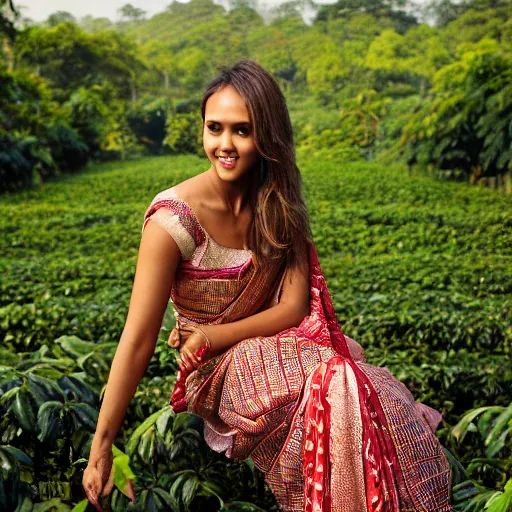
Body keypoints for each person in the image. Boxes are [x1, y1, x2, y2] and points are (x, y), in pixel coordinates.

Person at [83, 59, 452, 511]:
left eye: (242, 130)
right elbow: (138, 337)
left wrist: (213, 333)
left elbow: (294, 308)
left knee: (361, 390)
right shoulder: (172, 223)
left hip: (277, 343)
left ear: (269, 135)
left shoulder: (278, 202)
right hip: (216, 371)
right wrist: (101, 445)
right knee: (335, 386)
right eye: (213, 128)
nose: (225, 144)